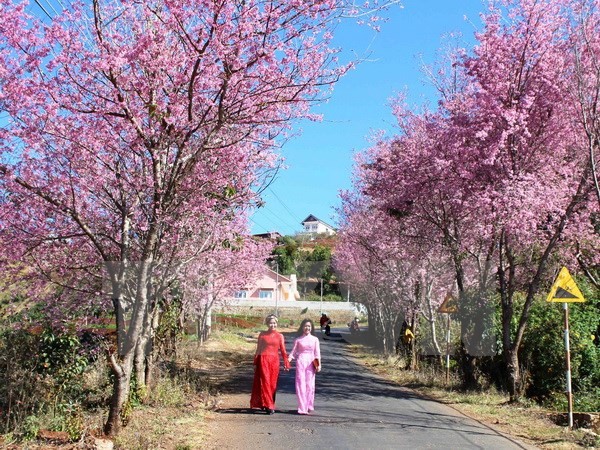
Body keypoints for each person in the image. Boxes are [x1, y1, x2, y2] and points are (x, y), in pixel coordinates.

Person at [250, 314, 290, 414]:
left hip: (274, 362)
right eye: (271, 323)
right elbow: (258, 349)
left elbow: (283, 350)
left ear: (277, 324)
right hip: (263, 360)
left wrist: (286, 362)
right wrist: (255, 362)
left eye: (274, 323)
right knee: (265, 383)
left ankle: (267, 402)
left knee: (272, 384)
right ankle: (269, 406)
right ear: (267, 324)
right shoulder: (262, 334)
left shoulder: (280, 336)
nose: (273, 325)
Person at [288, 318, 321, 415]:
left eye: (309, 326)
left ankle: (309, 405)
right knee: (301, 385)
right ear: (302, 327)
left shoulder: (315, 339)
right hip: (301, 362)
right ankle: (302, 408)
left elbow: (317, 354)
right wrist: (288, 361)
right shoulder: (298, 340)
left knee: (310, 385)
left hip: (311, 363)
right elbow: (293, 352)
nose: (307, 328)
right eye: (306, 326)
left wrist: (318, 365)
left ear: (312, 328)